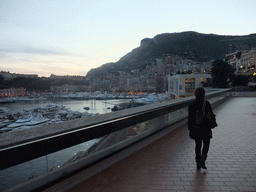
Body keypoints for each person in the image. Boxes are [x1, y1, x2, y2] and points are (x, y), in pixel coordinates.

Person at [188, 87, 215, 169]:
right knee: (206, 144)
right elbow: (211, 115)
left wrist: (190, 128)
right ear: (204, 95)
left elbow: (190, 118)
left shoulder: (192, 104)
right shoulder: (206, 104)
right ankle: (203, 159)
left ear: (195, 94)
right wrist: (213, 123)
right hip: (206, 128)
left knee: (198, 145)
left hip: (196, 128)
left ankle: (197, 161)